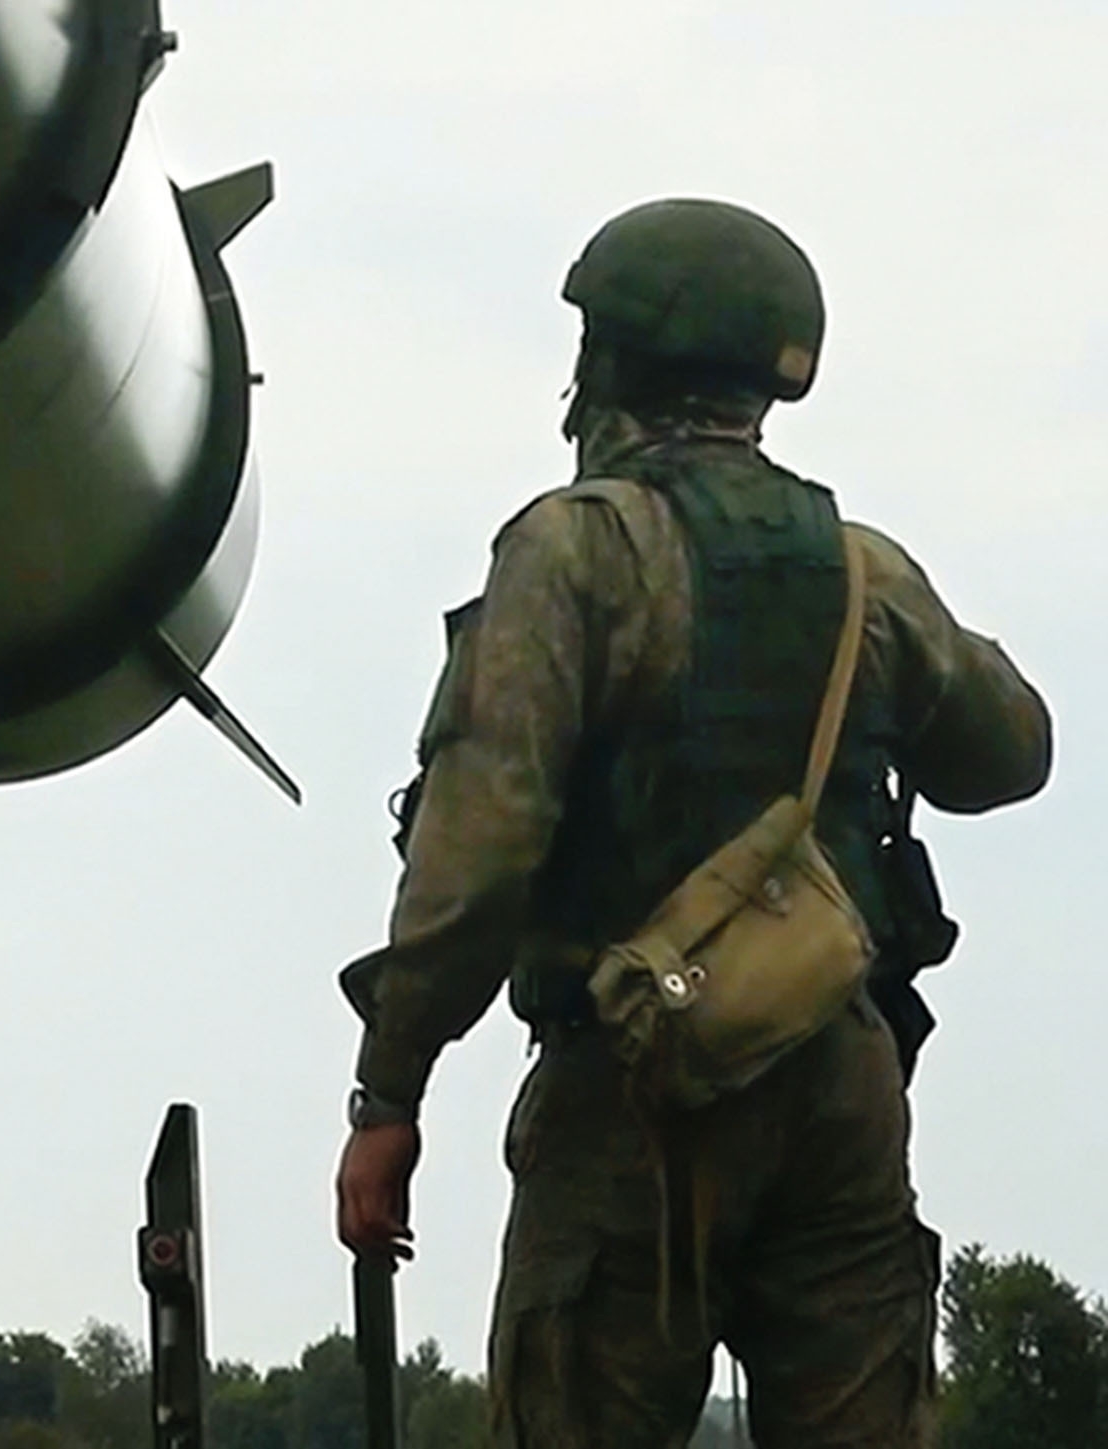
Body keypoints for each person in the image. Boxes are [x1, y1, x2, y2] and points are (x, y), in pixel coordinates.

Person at [333, 200, 1052, 1446]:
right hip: (837, 1080)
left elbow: (477, 853)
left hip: (629, 1088)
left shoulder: (572, 554)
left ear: (614, 361)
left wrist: (386, 1095)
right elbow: (1010, 752)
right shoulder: (860, 566)